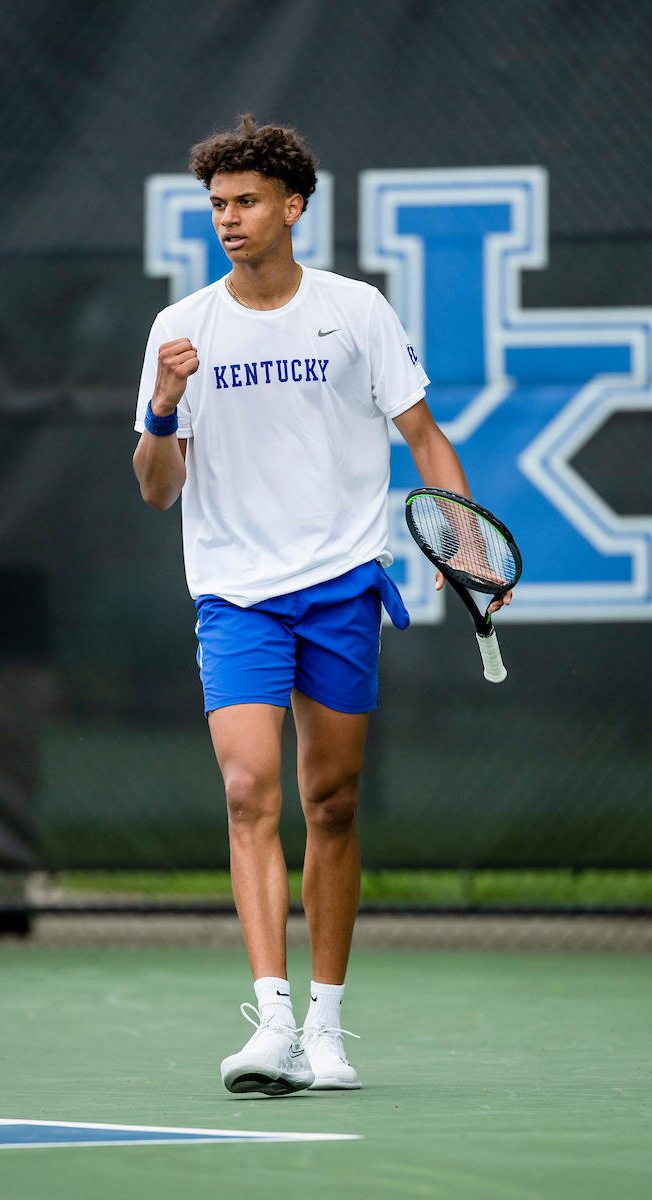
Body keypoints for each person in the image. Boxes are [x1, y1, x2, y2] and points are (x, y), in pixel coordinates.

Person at [133, 114, 512, 1096]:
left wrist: (462, 536)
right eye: (215, 204)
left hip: (341, 583)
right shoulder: (179, 332)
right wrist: (164, 409)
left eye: (246, 201)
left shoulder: (356, 313)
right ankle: (270, 1024)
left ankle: (328, 1030)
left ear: (292, 206)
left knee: (329, 805)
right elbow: (155, 487)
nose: (228, 219)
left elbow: (422, 435)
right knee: (248, 791)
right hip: (234, 595)